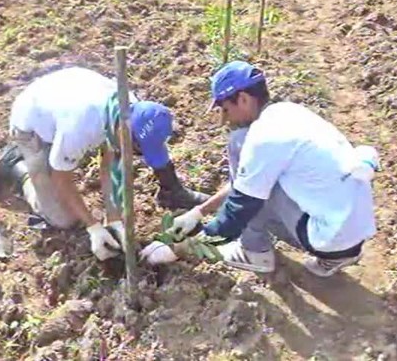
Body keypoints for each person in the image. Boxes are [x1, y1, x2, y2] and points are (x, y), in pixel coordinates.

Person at [141, 60, 379, 277]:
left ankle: (254, 252)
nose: (225, 119)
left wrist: (179, 248)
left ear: (243, 99)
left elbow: (238, 212)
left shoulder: (262, 138)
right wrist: (199, 212)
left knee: (242, 154)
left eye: (225, 109)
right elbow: (244, 183)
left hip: (328, 239)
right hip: (353, 234)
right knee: (258, 181)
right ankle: (340, 256)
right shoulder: (290, 112)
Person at [0, 65, 209, 261]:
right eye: (136, 148)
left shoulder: (133, 110)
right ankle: (17, 167)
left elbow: (110, 162)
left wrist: (113, 218)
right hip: (32, 125)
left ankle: (57, 155)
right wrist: (92, 226)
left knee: (90, 156)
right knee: (62, 219)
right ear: (124, 131)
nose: (136, 154)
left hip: (65, 100)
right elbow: (61, 177)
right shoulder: (80, 127)